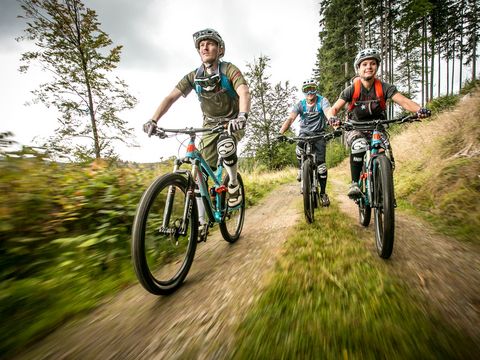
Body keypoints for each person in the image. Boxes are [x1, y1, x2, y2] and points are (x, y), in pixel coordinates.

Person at [143, 28, 251, 229]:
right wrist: (154, 120)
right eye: (201, 45)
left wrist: (242, 116)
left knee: (226, 146)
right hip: (209, 124)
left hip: (233, 121)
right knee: (199, 172)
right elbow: (170, 98)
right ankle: (201, 223)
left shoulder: (229, 70)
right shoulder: (194, 76)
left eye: (210, 43)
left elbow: (243, 91)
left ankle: (234, 184)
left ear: (220, 49)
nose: (205, 47)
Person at [326, 48, 431, 199]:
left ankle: (384, 185)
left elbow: (404, 101)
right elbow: (334, 108)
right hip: (356, 127)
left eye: (372, 63)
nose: (369, 67)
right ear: (359, 68)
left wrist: (420, 110)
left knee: (384, 152)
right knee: (359, 145)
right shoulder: (352, 90)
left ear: (376, 67)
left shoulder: (384, 88)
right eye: (365, 64)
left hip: (377, 127)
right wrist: (332, 118)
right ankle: (355, 183)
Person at [278, 79, 332, 207]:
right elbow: (291, 118)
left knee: (321, 166)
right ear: (303, 92)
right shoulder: (300, 104)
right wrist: (280, 133)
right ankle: (301, 169)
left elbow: (328, 113)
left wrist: (334, 124)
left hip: (319, 134)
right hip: (304, 134)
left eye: (312, 88)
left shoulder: (322, 101)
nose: (310, 92)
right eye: (307, 89)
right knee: (299, 149)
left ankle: (323, 193)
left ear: (316, 89)